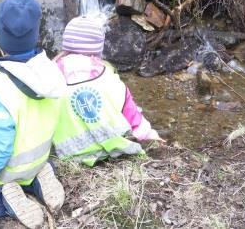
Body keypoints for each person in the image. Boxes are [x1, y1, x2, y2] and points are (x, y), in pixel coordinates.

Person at [0, 0, 67, 229]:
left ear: (0, 38)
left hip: (7, 169)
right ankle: (41, 177)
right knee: (38, 169)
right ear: (35, 34)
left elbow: (0, 136)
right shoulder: (49, 71)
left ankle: (4, 196)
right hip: (38, 158)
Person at [52, 16, 162, 166]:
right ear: (98, 50)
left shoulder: (49, 76)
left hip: (66, 155)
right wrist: (150, 134)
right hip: (110, 153)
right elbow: (131, 114)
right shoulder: (109, 77)